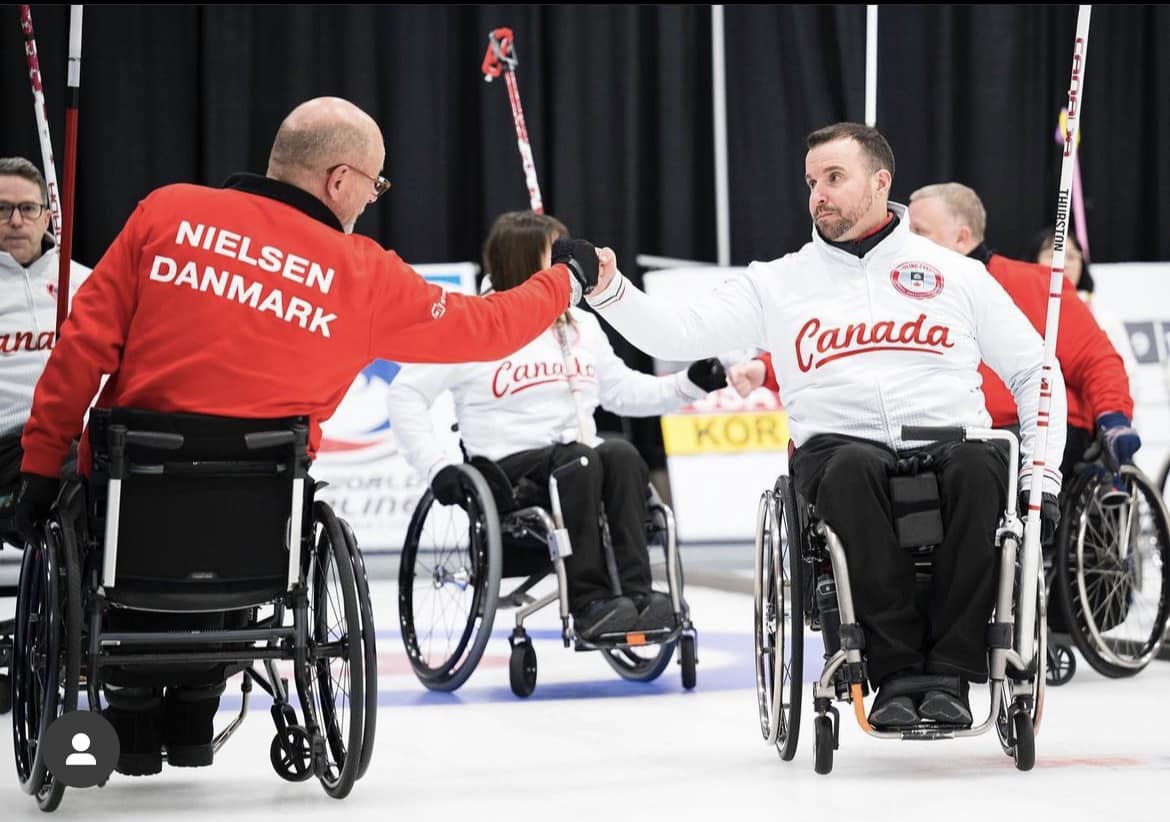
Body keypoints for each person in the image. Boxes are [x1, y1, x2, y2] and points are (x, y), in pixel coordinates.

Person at [13, 96, 601, 776]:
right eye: (376, 187)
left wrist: (35, 466)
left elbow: (81, 351)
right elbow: (487, 326)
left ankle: (131, 706)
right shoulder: (364, 274)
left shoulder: (165, 212)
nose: (372, 202)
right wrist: (566, 279)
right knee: (250, 517)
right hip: (259, 530)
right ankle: (200, 697)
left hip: (131, 514)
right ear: (340, 181)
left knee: (122, 507)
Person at [584, 123, 1067, 728]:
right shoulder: (778, 282)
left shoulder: (957, 275)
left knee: (982, 464)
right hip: (841, 446)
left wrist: (1042, 476)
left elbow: (1035, 372)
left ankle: (950, 673)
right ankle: (892, 673)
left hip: (952, 440)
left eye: (834, 178)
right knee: (850, 468)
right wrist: (609, 291)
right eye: (812, 182)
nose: (819, 195)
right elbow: (674, 332)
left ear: (880, 182)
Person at [386, 210, 728, 639]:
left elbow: (621, 392)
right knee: (581, 460)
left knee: (619, 452)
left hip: (579, 458)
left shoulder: (581, 326)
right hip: (508, 470)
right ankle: (589, 602)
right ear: (526, 263)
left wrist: (689, 385)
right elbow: (405, 394)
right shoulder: (476, 324)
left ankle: (639, 597)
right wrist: (437, 468)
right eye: (559, 254)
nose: (573, 264)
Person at [906, 184, 1139, 479]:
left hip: (1027, 432)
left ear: (961, 237)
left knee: (975, 467)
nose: (906, 242)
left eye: (918, 231)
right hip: (939, 434)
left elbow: (1096, 361)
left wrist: (1114, 418)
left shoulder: (1035, 284)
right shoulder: (905, 296)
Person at [0, 157, 90, 527]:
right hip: (12, 442)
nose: (16, 221)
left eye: (27, 208)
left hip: (81, 438)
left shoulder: (85, 283)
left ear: (48, 214)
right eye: (3, 209)